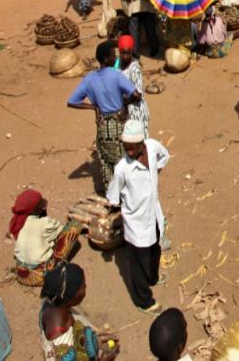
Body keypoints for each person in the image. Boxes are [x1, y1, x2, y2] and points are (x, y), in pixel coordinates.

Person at [107, 120, 171, 314]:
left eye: (133, 148)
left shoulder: (152, 147)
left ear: (142, 143)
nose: (130, 152)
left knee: (155, 250)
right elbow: (112, 196)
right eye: (126, 148)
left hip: (153, 213)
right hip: (136, 222)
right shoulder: (122, 169)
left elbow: (165, 156)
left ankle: (153, 277)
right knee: (139, 262)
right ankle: (143, 300)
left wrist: (154, 174)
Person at [67, 41, 140, 190]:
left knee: (106, 160)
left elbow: (72, 101)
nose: (116, 56)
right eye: (114, 55)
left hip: (103, 127)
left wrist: (94, 107)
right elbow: (137, 94)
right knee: (124, 158)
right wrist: (125, 104)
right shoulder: (116, 76)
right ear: (106, 59)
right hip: (119, 123)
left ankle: (112, 193)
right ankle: (127, 191)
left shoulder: (89, 79)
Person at [39, 262, 120, 361]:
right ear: (71, 295)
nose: (85, 287)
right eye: (82, 287)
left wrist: (95, 342)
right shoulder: (62, 348)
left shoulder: (51, 303)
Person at [10, 189, 82, 287]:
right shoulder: (44, 223)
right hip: (40, 277)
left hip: (21, 275)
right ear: (40, 208)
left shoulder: (19, 223)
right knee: (74, 226)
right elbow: (62, 232)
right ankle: (55, 273)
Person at [115, 34, 151, 133]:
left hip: (135, 111)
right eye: (123, 53)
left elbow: (138, 95)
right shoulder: (117, 64)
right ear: (119, 51)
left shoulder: (134, 69)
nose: (125, 56)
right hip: (123, 109)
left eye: (128, 53)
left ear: (132, 52)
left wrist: (123, 104)